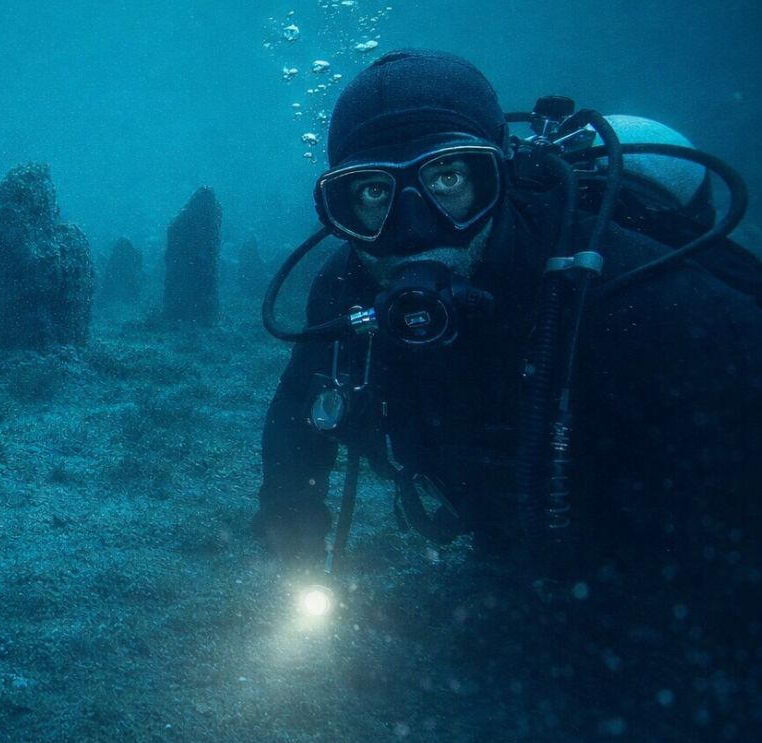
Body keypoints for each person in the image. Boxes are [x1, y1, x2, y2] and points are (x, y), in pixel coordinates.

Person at [252, 50, 762, 589]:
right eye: (374, 191)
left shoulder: (632, 291)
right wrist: (291, 529)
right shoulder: (343, 287)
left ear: (501, 175)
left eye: (447, 176)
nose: (415, 229)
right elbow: (298, 408)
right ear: (343, 207)